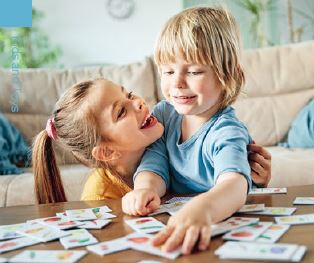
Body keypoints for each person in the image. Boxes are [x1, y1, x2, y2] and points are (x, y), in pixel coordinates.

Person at [122, 6, 263, 255]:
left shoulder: (227, 129)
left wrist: (203, 209)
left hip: (216, 230)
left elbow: (235, 184)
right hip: (172, 224)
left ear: (227, 76)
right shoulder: (164, 114)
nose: (176, 83)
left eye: (194, 71)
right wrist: (145, 188)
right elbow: (154, 163)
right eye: (167, 71)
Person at [33, 77, 271, 204]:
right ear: (106, 152)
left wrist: (254, 179)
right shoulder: (100, 194)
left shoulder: (172, 131)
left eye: (128, 94)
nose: (138, 103)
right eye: (121, 112)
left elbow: (215, 185)